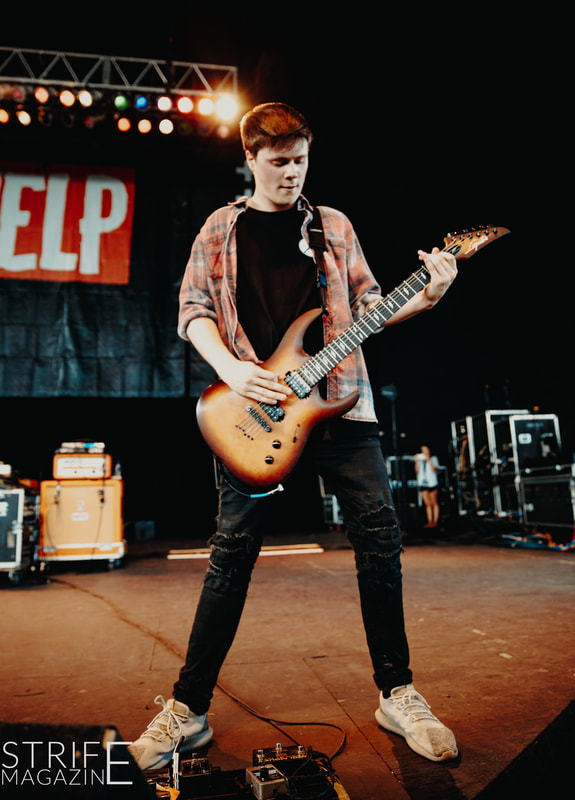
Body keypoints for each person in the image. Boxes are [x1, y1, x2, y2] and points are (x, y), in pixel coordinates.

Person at [129, 102, 459, 769]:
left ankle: (397, 693)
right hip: (256, 413)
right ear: (250, 159)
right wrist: (231, 370)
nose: (291, 173)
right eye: (278, 162)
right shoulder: (219, 228)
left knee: (380, 542)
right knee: (230, 556)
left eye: (300, 160)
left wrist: (424, 297)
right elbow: (192, 310)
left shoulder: (332, 225)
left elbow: (368, 306)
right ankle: (188, 709)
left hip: (340, 406)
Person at [415, 445, 441, 527]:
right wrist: (416, 461)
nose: (424, 452)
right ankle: (430, 521)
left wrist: (428, 460)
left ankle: (435, 521)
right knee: (427, 504)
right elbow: (417, 471)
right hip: (423, 483)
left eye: (425, 449)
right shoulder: (420, 461)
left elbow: (434, 469)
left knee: (434, 502)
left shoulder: (434, 459)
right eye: (422, 450)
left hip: (432, 483)